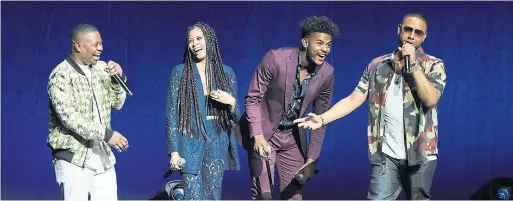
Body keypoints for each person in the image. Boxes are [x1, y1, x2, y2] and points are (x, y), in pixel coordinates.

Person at [294, 13, 447, 200]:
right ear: (399, 29)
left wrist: (413, 64)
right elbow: (353, 99)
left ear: (424, 37)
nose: (411, 35)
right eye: (408, 29)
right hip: (386, 155)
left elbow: (431, 99)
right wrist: (322, 118)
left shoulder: (434, 65)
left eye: (418, 32)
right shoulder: (377, 65)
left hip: (422, 155)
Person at [236, 16, 339, 200]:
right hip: (265, 133)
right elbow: (253, 99)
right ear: (305, 42)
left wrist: (312, 159)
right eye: (320, 43)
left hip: (293, 138)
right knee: (263, 195)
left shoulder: (327, 74)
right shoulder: (275, 59)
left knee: (293, 196)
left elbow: (321, 118)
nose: (325, 50)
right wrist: (258, 136)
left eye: (329, 45)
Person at [47, 24, 129, 201]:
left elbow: (117, 103)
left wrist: (118, 78)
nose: (101, 48)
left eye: (101, 44)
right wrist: (107, 134)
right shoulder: (60, 74)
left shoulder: (102, 68)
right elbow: (69, 117)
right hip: (74, 158)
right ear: (78, 45)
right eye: (95, 44)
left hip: (102, 157)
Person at [166, 22, 240, 200]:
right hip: (190, 141)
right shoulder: (180, 72)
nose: (194, 44)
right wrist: (174, 152)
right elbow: (172, 115)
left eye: (199, 38)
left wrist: (231, 102)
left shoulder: (226, 73)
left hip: (217, 140)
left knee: (213, 196)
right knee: (192, 195)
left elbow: (236, 116)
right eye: (190, 41)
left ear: (210, 40)